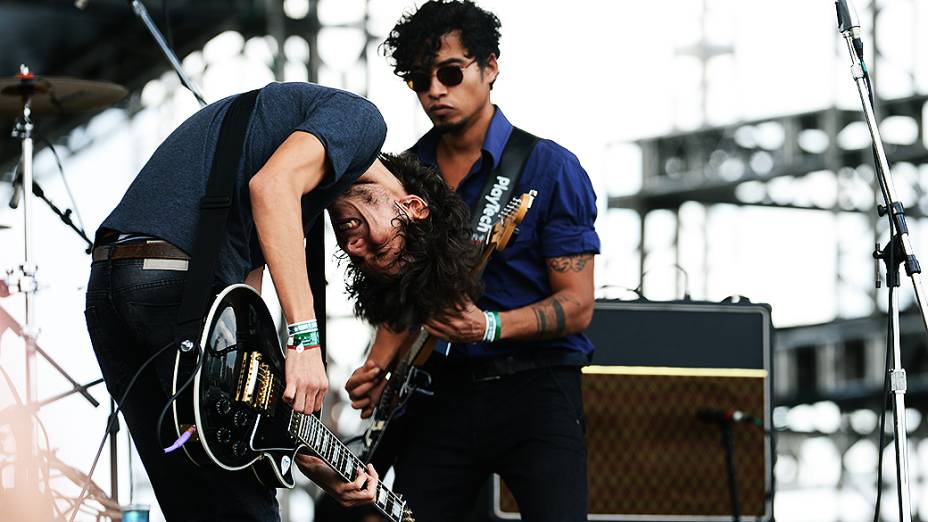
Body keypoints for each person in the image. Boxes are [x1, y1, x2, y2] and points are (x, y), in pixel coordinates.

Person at [84, 81, 479, 521]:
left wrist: (309, 451)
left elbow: (237, 320)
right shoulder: (362, 123)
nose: (357, 249)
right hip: (173, 284)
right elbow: (271, 187)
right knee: (245, 506)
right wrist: (305, 343)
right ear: (413, 207)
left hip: (112, 291)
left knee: (195, 501)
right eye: (383, 247)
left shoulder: (299, 193)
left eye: (366, 259)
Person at [346, 1, 600, 521]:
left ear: (490, 67)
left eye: (450, 72)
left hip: (536, 388)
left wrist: (488, 326)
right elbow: (404, 296)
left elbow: (576, 306)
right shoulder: (403, 175)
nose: (435, 90)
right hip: (439, 394)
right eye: (420, 79)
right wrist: (379, 364)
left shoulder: (550, 168)